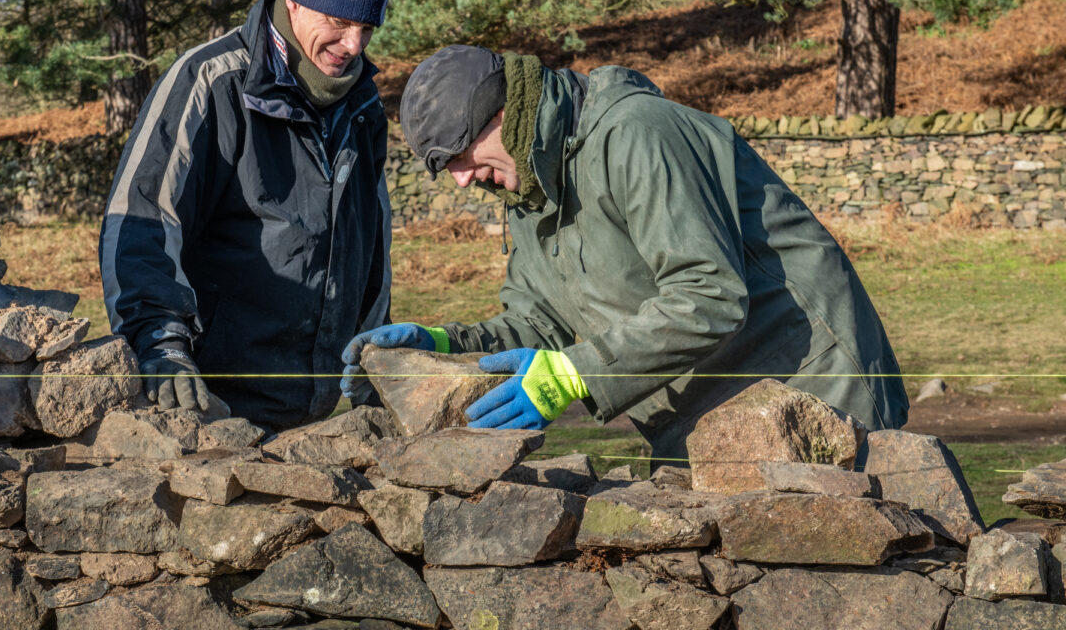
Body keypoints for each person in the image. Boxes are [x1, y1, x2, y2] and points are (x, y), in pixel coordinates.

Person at [342, 44, 908, 463]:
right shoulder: (529, 189)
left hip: (814, 387)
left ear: (503, 113)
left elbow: (709, 295)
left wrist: (573, 375)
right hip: (707, 418)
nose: (462, 181)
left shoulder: (637, 133)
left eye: (460, 155)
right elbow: (540, 324)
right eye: (447, 170)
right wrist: (442, 349)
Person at [101, 0, 392, 433]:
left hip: (317, 410)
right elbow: (142, 217)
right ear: (296, 2)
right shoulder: (210, 82)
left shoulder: (363, 104)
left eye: (366, 29)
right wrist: (160, 344)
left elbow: (372, 241)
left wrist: (375, 359)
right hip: (211, 406)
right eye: (340, 22)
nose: (353, 45)